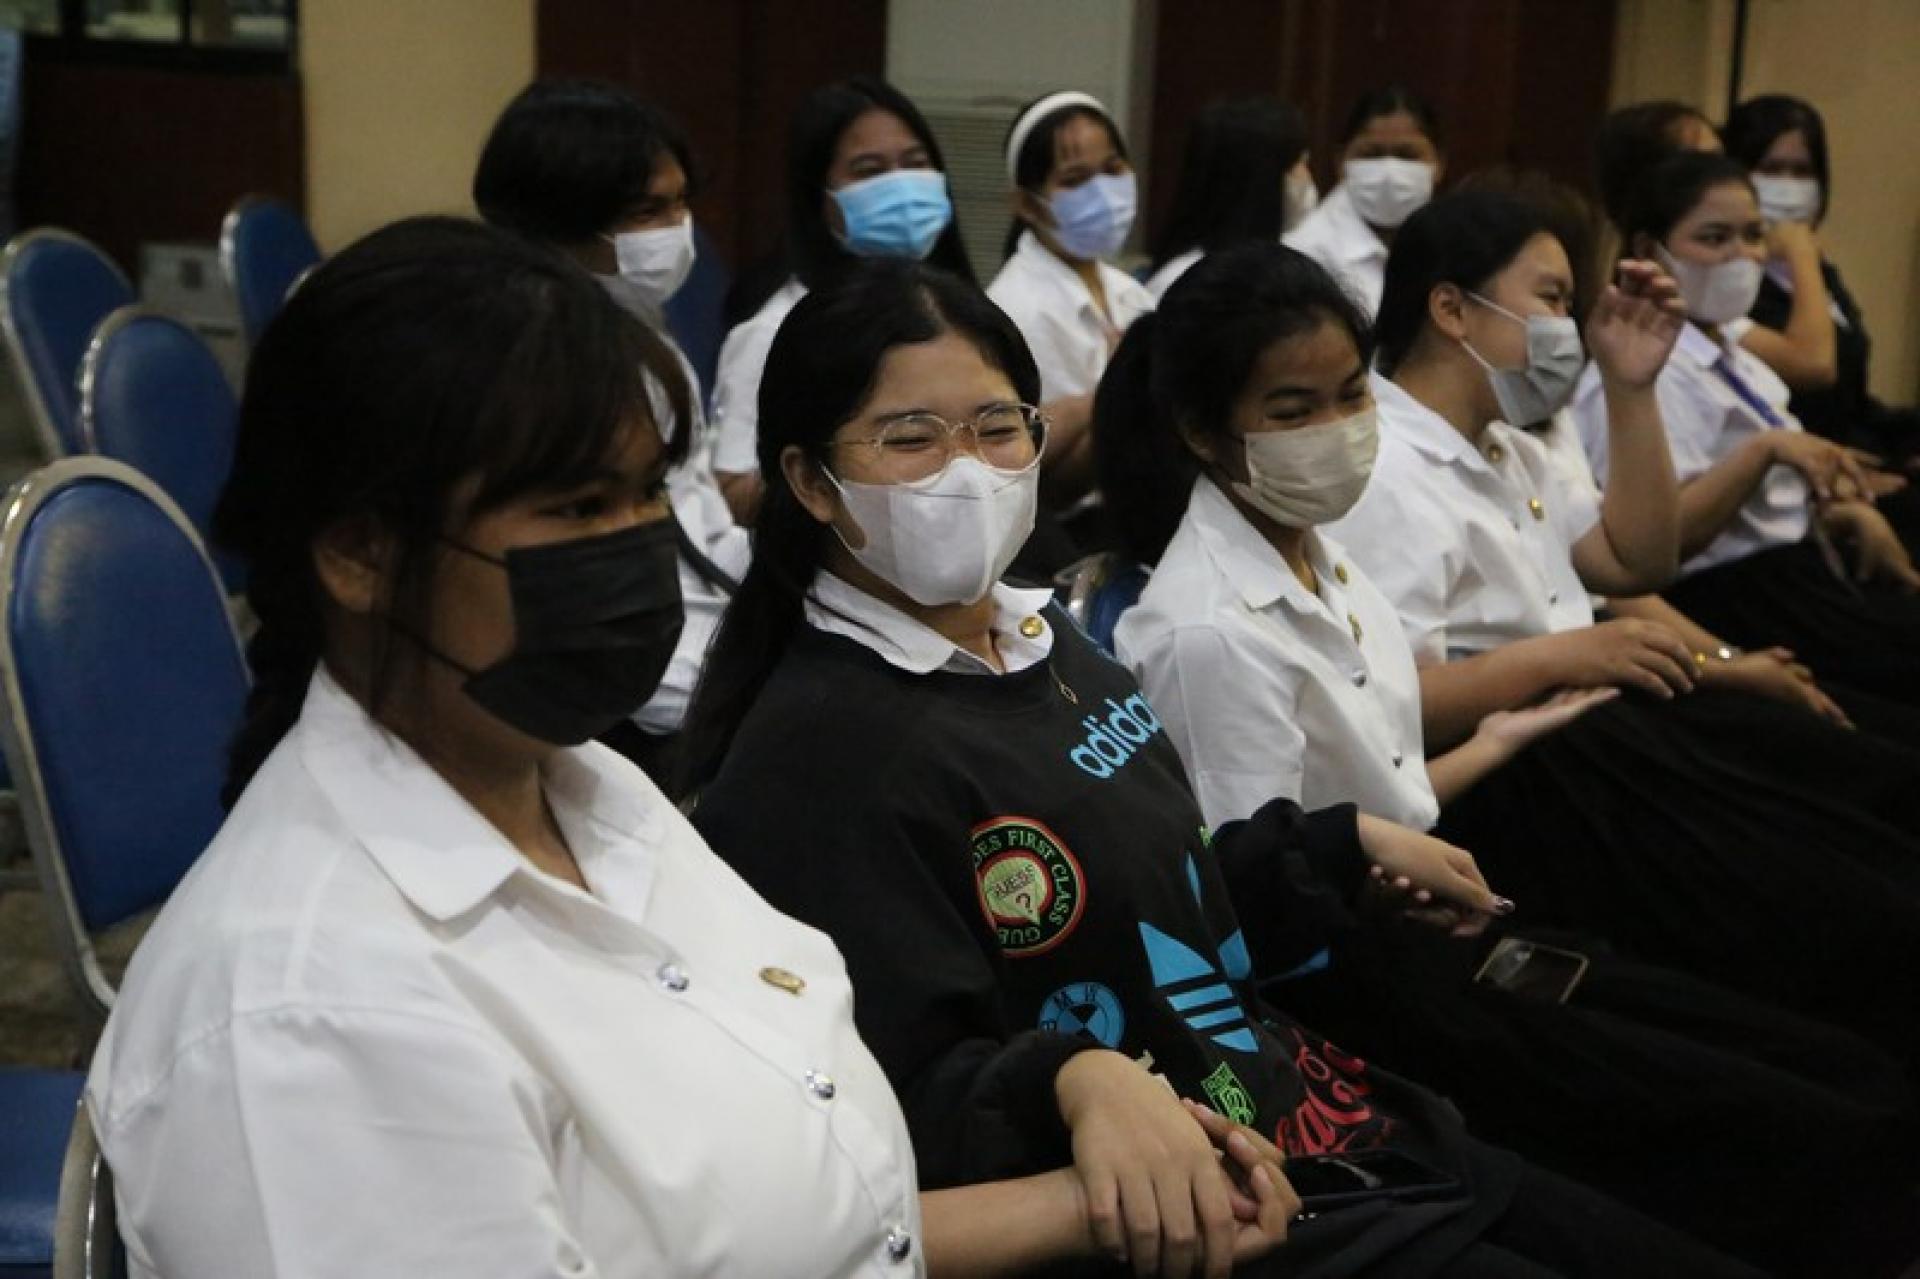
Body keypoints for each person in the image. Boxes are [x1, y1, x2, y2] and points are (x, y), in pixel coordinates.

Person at [84, 219, 1300, 1279]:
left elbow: (828, 1210)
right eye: (574, 507)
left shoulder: (591, 789)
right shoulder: (310, 1014)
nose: (633, 547)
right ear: (358, 554)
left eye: (643, 494)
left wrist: (1088, 1177)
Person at [684, 255, 1767, 1278]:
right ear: (810, 480)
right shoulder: (814, 761)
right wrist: (1073, 1078)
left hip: (1299, 1105)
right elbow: (887, 1102)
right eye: (912, 439)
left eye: (998, 427)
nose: (969, 470)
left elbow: (1153, 889)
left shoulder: (1045, 637)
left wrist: (1338, 847)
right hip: (1178, 1211)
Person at [1097, 240, 1920, 1274]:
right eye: (1293, 409)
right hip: (1373, 993)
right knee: (1786, 1123)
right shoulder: (1205, 629)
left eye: (1351, 394)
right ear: (1203, 431)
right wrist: (1390, 870)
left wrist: (1489, 745)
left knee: (1821, 1063)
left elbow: (1379, 803)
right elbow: (1261, 896)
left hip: (1446, 905)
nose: (1340, 429)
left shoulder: (1319, 551)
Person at [1327, 189, 1920, 1065]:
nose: (1568, 327)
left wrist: (1629, 385)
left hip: (1599, 721)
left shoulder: (1508, 441)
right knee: (1836, 914)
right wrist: (1570, 653)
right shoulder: (1387, 469)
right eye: (1552, 298)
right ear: (1451, 308)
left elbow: (1636, 559)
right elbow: (1402, 708)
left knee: (1867, 827)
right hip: (1525, 774)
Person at [472, 79, 748, 782]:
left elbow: (702, 533)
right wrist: (733, 693)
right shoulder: (530, 378)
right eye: (647, 212)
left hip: (696, 660)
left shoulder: (648, 341)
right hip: (622, 714)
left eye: (681, 203)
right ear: (555, 222)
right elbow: (579, 611)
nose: (677, 229)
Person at [1571, 151, 1920, 708]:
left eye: (1754, 236)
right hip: (1732, 595)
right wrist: (1762, 453)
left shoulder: (1736, 352)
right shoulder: (1637, 376)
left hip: (1802, 565)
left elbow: (1778, 499)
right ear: (1649, 250)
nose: (1742, 255)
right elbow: (1656, 547)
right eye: (1714, 238)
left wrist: (1844, 512)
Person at [711, 76, 973, 523]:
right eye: (869, 171)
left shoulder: (959, 311)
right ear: (819, 195)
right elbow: (732, 492)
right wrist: (860, 487)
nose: (901, 186)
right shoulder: (775, 330)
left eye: (915, 163)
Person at [1594, 99, 1843, 398]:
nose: (1720, 173)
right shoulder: (1639, 339)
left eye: (1753, 235)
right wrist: (1801, 252)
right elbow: (1813, 365)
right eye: (1714, 238)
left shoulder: (1716, 327)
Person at [1725, 92, 1920, 461]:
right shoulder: (1733, 283)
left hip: (1851, 453)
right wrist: (1799, 251)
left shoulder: (1816, 270)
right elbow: (1815, 370)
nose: (1788, 185)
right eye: (1771, 169)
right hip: (1789, 466)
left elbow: (1851, 403)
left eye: (1801, 171)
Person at [987, 90, 1154, 510]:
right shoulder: (1016, 309)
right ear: (1027, 203)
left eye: (1113, 169)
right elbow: (1033, 479)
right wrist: (1121, 397)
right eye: (1075, 180)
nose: (1103, 193)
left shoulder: (1129, 292)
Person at [1283, 85, 1442, 318]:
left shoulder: (1455, 244)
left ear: (1439, 163)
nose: (1389, 171)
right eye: (1371, 154)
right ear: (1340, 163)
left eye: (1406, 155)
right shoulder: (1303, 253)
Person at [1144, 96, 1313, 300]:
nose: (1307, 177)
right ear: (1263, 179)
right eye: (1301, 163)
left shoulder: (1284, 269)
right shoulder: (1188, 283)